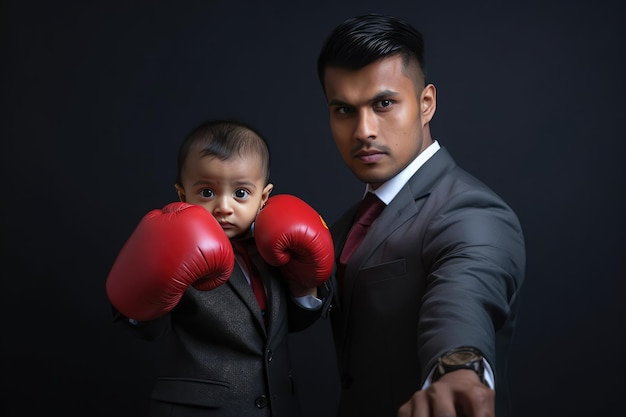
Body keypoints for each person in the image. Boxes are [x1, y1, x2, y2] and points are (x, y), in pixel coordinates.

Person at [316, 13, 526, 417]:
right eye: (343, 110)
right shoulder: (345, 225)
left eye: (384, 103)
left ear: (425, 103)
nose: (363, 130)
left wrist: (457, 372)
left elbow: (464, 296)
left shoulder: (470, 212)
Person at [105, 119, 334, 417]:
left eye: (240, 193)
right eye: (207, 193)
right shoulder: (174, 246)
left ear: (263, 197)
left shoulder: (276, 249)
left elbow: (286, 328)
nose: (224, 206)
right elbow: (149, 330)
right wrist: (142, 290)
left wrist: (305, 287)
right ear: (182, 194)